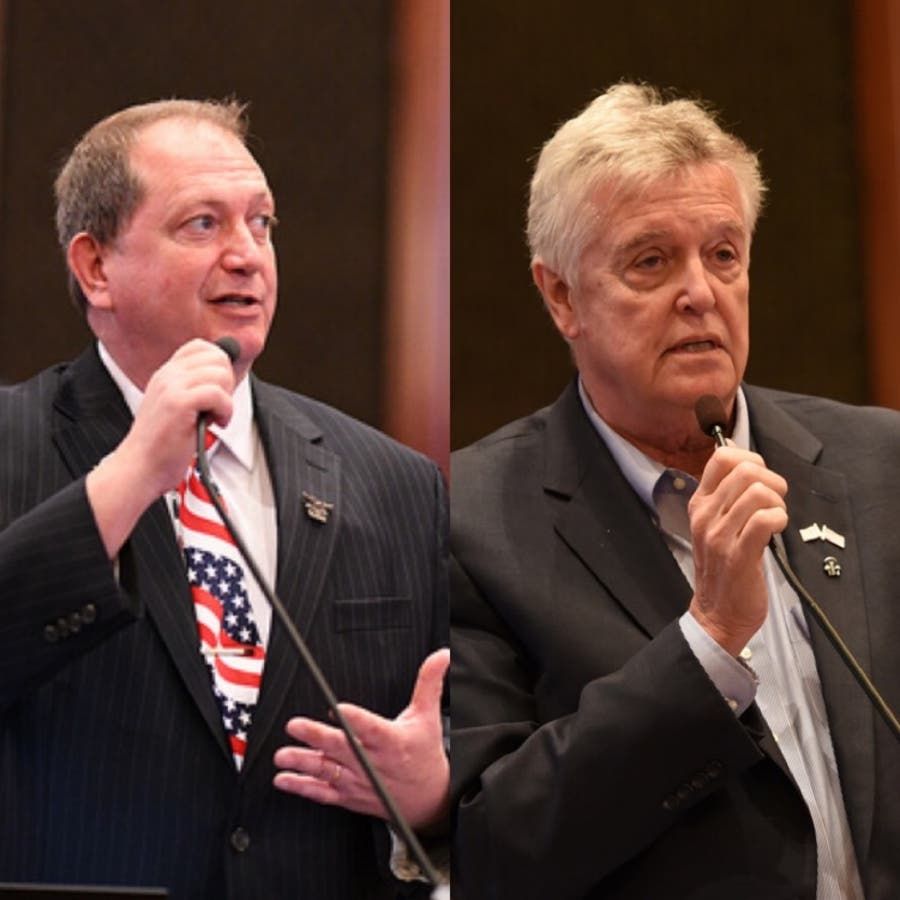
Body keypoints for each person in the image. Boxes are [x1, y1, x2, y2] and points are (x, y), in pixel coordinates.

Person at [450, 82, 900, 900]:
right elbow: (492, 845)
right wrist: (712, 640)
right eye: (651, 261)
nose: (700, 292)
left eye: (723, 254)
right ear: (561, 297)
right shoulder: (471, 517)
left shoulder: (881, 466)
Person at [0, 99, 448, 899]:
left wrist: (433, 795)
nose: (247, 256)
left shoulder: (397, 483)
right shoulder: (11, 445)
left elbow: (478, 739)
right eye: (202, 224)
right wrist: (134, 471)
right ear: (95, 266)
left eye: (262, 224)